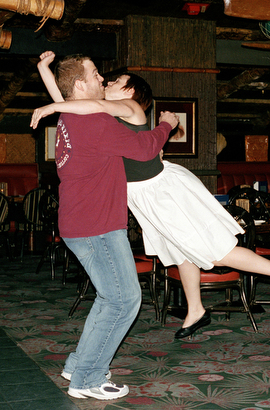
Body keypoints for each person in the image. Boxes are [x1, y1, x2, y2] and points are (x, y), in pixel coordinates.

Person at [31, 51, 270, 339]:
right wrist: (44, 69)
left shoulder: (130, 106)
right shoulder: (99, 114)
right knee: (180, 251)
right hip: (143, 196)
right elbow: (70, 105)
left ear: (130, 91)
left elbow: (76, 104)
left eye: (116, 81)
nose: (107, 82)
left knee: (212, 251)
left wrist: (50, 107)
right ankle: (195, 310)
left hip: (160, 192)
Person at [45, 53, 179, 400]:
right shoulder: (94, 122)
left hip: (79, 222)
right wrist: (167, 125)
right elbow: (145, 148)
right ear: (80, 85)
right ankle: (87, 380)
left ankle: (79, 364)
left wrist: (45, 70)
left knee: (109, 298)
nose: (102, 79)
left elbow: (61, 96)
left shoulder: (70, 115)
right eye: (95, 74)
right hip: (98, 225)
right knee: (124, 300)